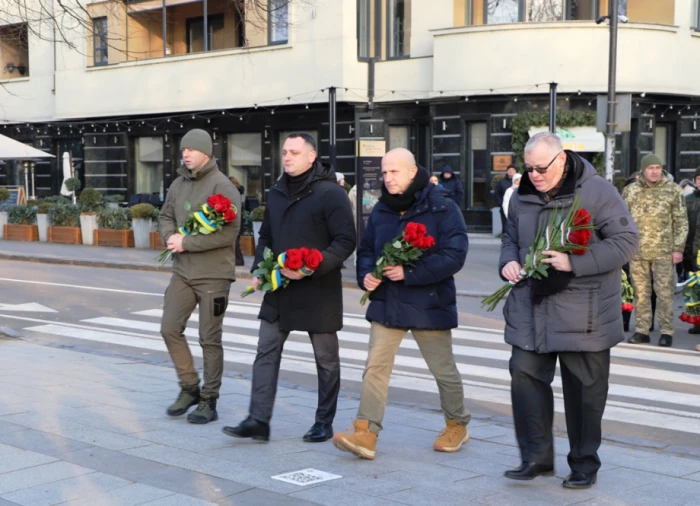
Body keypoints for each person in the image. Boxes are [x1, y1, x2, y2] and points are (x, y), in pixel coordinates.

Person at [500, 132, 638, 489]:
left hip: (584, 311)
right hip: (533, 308)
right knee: (524, 377)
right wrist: (509, 262)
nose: (534, 175)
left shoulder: (598, 191)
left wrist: (573, 262)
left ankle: (583, 464)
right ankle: (535, 457)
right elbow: (510, 239)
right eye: (528, 168)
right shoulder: (520, 196)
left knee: (584, 394)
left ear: (561, 160)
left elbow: (625, 243)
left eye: (540, 168)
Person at [332, 148, 470, 460]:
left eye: (394, 172)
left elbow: (454, 255)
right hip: (387, 301)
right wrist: (366, 274)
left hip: (429, 301)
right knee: (375, 368)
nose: (387, 178)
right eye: (384, 172)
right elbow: (366, 247)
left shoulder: (442, 206)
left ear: (412, 171)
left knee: (442, 369)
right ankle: (365, 431)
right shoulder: (382, 209)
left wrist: (409, 273)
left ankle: (457, 423)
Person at [222, 133, 356, 443]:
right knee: (265, 351)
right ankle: (258, 419)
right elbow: (266, 236)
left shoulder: (330, 193)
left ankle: (323, 422)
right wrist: (259, 269)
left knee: (326, 360)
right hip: (279, 287)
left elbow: (346, 241)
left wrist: (312, 265)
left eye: (294, 152)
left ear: (311, 157)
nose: (287, 157)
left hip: (318, 288)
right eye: (284, 152)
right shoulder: (277, 191)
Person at [159, 129, 242, 424]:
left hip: (213, 276)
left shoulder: (223, 186)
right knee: (169, 328)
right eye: (183, 150)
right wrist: (170, 236)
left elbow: (230, 233)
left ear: (206, 152)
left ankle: (209, 399)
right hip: (182, 272)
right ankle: (189, 386)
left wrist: (187, 243)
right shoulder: (178, 184)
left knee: (209, 338)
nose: (186, 154)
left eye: (192, 150)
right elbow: (166, 215)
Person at [623, 153, 688, 348]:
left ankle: (666, 331)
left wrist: (678, 249)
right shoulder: (630, 191)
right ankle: (642, 330)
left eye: (658, 168)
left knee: (664, 293)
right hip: (638, 252)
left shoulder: (673, 190)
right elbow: (622, 220)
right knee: (641, 293)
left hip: (664, 252)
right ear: (643, 170)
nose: (655, 171)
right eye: (651, 168)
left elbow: (681, 221)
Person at [684, 168, 700, 334]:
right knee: (693, 289)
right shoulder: (688, 200)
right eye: (699, 179)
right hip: (691, 252)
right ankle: (696, 322)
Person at [229, 176, 246, 266]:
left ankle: (239, 260)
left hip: (236, 219)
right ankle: (238, 260)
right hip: (240, 219)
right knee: (236, 241)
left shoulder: (233, 193)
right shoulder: (238, 192)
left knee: (235, 241)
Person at [495, 165, 517, 231]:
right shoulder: (501, 182)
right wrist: (501, 203)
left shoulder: (520, 182)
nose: (511, 171)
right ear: (507, 171)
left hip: (516, 208)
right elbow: (496, 194)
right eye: (509, 170)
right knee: (505, 226)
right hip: (504, 207)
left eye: (513, 170)